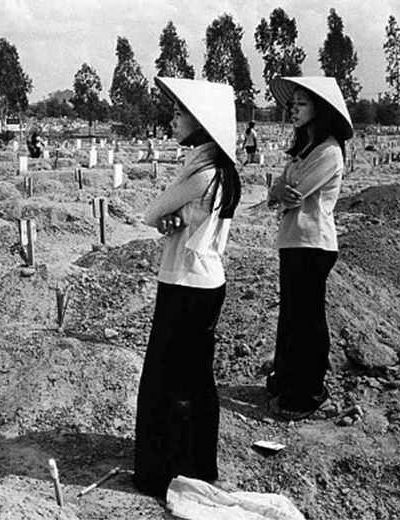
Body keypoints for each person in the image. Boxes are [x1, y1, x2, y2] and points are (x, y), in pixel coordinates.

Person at [135, 77, 241, 499]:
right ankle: (197, 462)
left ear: (201, 121)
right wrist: (174, 218)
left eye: (180, 113)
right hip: (204, 280)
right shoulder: (215, 169)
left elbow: (150, 213)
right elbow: (176, 218)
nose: (173, 119)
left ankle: (165, 471)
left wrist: (167, 213)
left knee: (167, 379)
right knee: (195, 378)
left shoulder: (202, 171)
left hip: (185, 282)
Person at [265, 76, 353, 421]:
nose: (293, 109)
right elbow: (277, 193)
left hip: (313, 243)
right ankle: (287, 382)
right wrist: (278, 190)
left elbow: (293, 193)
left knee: (307, 321)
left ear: (321, 110)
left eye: (301, 103)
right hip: (293, 241)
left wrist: (280, 190)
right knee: (290, 317)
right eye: (293, 103)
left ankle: (308, 391)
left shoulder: (329, 151)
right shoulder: (303, 150)